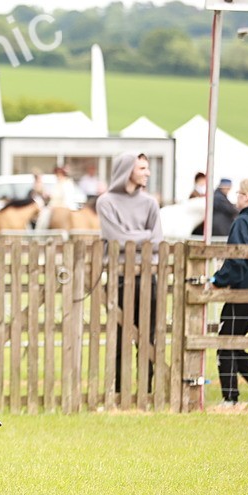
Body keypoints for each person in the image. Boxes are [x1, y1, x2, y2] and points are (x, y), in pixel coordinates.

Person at [96, 152, 162, 395]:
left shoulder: (150, 203)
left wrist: (133, 237)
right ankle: (120, 392)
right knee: (121, 336)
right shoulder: (106, 202)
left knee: (149, 335)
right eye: (142, 168)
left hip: (149, 278)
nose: (147, 172)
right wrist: (143, 235)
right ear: (127, 170)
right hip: (121, 278)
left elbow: (157, 241)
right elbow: (116, 239)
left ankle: (146, 390)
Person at [211, 178, 248, 407]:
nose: (236, 197)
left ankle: (230, 398)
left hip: (244, 290)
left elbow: (236, 261)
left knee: (227, 341)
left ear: (247, 197)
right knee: (233, 341)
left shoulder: (242, 222)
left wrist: (218, 280)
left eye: (240, 193)